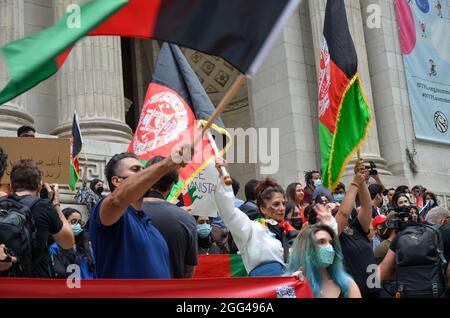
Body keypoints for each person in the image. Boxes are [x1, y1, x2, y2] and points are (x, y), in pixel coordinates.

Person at [89, 145, 189, 278]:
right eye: (136, 170)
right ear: (116, 181)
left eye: (144, 170)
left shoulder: (151, 227)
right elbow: (117, 200)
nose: (144, 174)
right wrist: (167, 164)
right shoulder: (108, 212)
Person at [214, 161, 285, 276]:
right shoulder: (252, 229)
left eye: (283, 204)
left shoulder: (289, 231)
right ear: (262, 208)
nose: (281, 208)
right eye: (276, 204)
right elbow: (229, 212)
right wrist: (223, 174)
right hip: (263, 288)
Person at [8, 160, 74, 277]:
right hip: (34, 283)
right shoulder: (44, 207)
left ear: (11, 185)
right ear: (39, 186)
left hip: (4, 282)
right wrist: (56, 204)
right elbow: (68, 242)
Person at [142, 156, 198, 278]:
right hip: (172, 293)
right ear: (172, 184)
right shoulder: (187, 219)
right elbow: (189, 270)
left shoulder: (123, 213)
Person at [334, 158, 378, 298]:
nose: (337, 206)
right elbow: (343, 213)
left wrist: (362, 180)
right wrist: (355, 182)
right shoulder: (331, 233)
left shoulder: (357, 227)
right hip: (354, 293)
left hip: (375, 288)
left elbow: (367, 206)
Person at [285, 224, 361, 298]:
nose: (329, 247)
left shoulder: (347, 284)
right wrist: (296, 289)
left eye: (331, 243)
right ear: (306, 249)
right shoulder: (289, 287)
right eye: (321, 242)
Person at [49, 208, 95, 279]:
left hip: (88, 288)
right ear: (63, 223)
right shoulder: (54, 248)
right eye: (73, 221)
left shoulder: (87, 247)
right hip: (69, 288)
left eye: (79, 222)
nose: (77, 225)